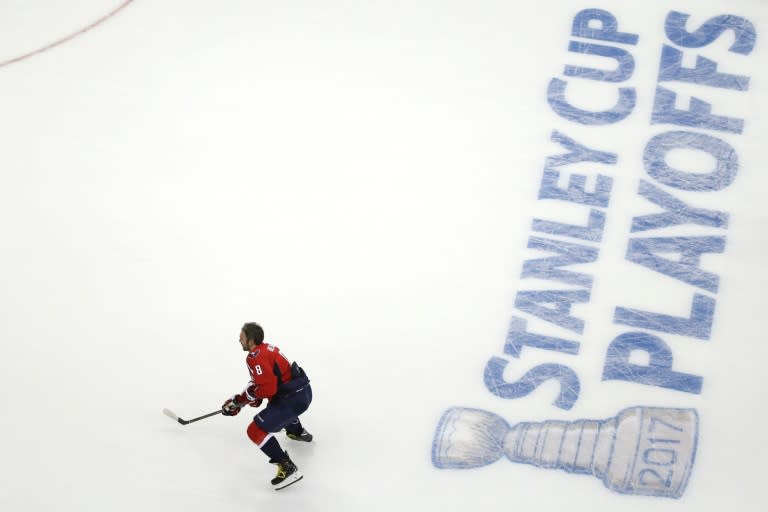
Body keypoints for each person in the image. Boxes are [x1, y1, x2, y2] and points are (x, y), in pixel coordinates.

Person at [221, 322, 313, 490]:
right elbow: (263, 384)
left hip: (292, 400)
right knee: (275, 405)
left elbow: (268, 388)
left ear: (250, 340)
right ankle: (296, 431)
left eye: (241, 337)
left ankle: (287, 468)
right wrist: (241, 400)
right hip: (303, 393)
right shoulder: (265, 349)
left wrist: (244, 400)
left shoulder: (254, 356)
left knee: (254, 430)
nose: (238, 339)